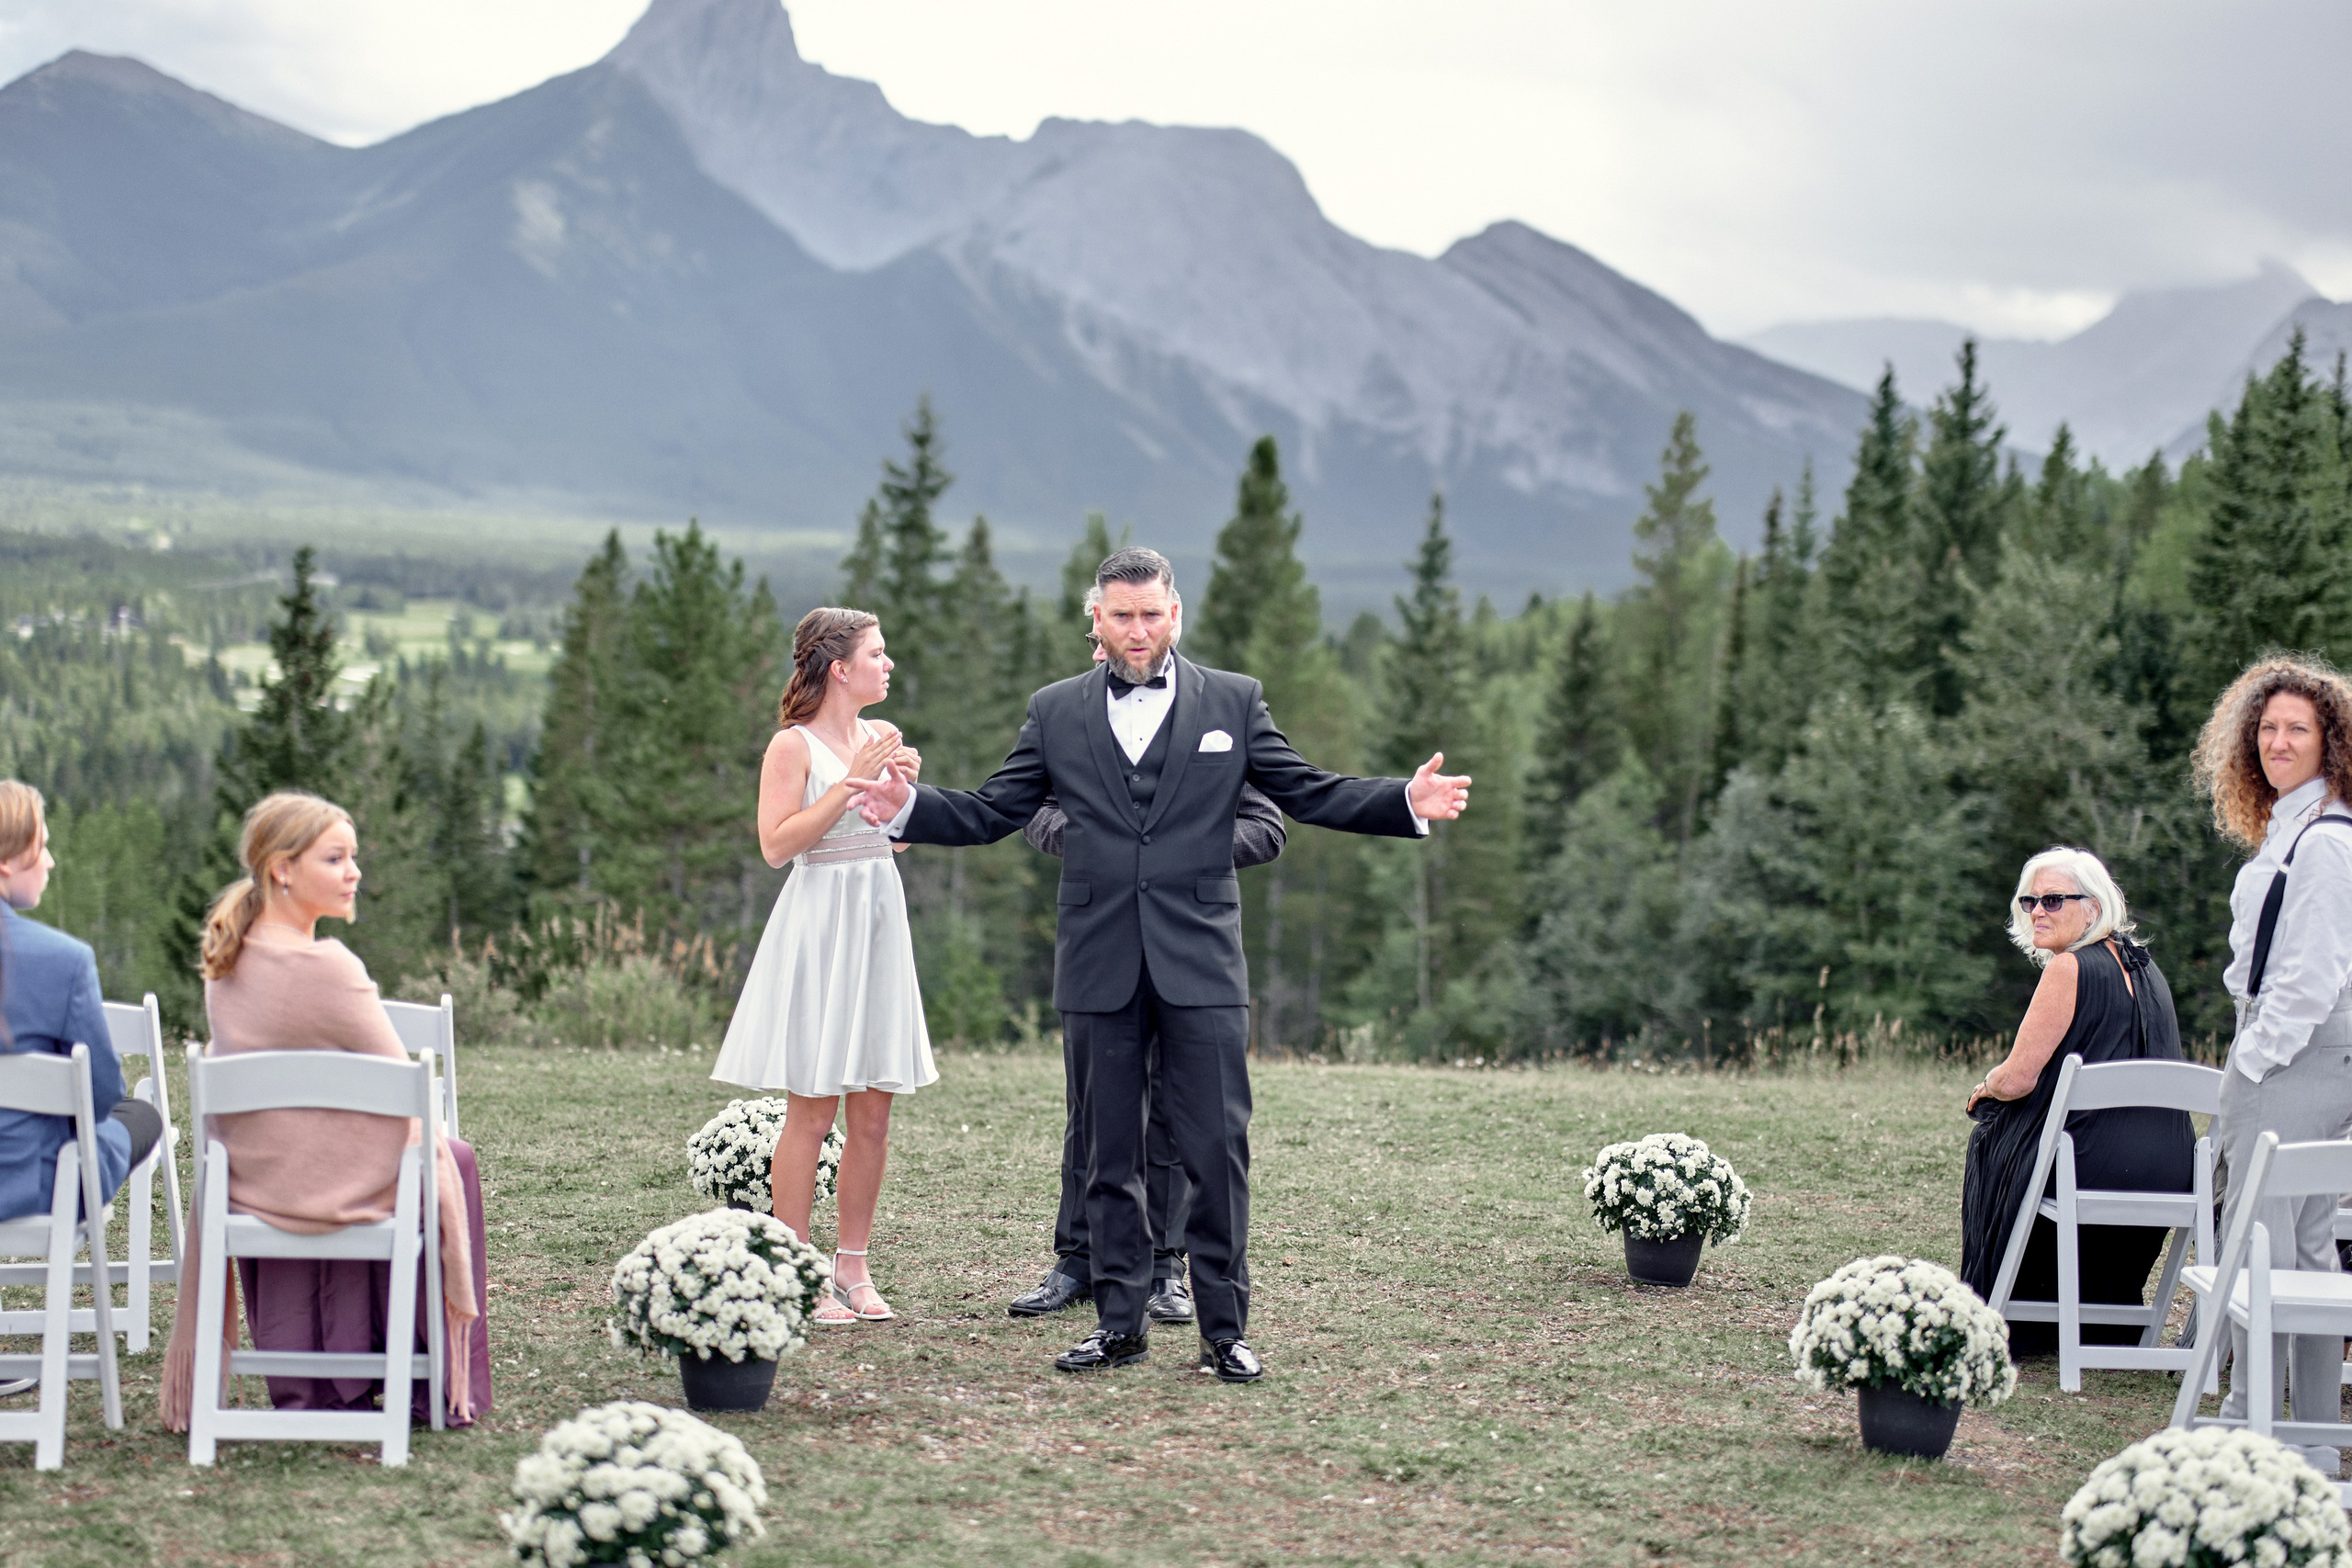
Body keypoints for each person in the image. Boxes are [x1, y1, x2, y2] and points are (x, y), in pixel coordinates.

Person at [848, 546, 1470, 1381]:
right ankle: (1118, 1324)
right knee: (1107, 1152)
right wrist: (910, 808)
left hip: (1202, 961)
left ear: (1175, 613)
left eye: (1151, 614)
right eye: (1121, 615)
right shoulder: (1056, 708)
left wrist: (1403, 800)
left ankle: (1225, 1332)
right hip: (1099, 957)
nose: (1137, 631)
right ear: (1094, 619)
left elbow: (1307, 790)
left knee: (1216, 1147)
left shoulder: (1235, 700)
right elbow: (999, 808)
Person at [160, 792, 489, 1431]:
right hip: (312, 1183)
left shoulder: (228, 956)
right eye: (335, 857)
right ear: (282, 868)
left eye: (353, 857)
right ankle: (435, 1384)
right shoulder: (331, 966)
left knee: (404, 1153)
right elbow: (407, 1087)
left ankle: (329, 1370)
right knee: (454, 1157)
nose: (353, 872)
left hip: (251, 1179)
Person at [711, 607, 933, 1326]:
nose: (889, 662)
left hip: (876, 913)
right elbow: (779, 847)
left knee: (874, 1109)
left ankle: (855, 1266)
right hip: (820, 920)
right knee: (812, 1106)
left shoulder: (882, 738)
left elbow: (893, 845)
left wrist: (902, 797)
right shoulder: (793, 747)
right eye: (877, 652)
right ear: (840, 668)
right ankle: (795, 1268)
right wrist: (849, 784)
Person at [1013, 772, 1286, 1325]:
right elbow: (1034, 812)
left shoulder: (1220, 716)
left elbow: (1266, 829)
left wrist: (1182, 846)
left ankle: (1164, 1265)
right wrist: (1096, 841)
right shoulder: (1077, 716)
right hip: (1100, 936)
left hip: (1189, 944)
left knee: (1171, 1107)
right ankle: (1079, 1260)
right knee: (1089, 1108)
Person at [2191, 656, 2352, 1464]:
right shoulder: (2298, 823)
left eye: (2298, 728)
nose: (2278, 740)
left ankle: (2251, 1418)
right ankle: (2315, 1438)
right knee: (2306, 1242)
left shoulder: (2325, 840)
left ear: (2332, 740)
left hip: (2293, 1052)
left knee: (2264, 1234)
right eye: (2267, 728)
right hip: (2309, 1055)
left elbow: (2314, 972)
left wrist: (2255, 1057)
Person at [1958, 846, 2193, 1353]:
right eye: (2029, 901)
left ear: (2093, 905)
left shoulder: (2068, 968)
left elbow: (2018, 1078)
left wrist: (1986, 1085)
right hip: (2173, 1166)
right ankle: (2103, 1320)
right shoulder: (2146, 966)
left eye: (2053, 899)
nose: (2037, 911)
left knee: (1992, 1136)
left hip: (2091, 1166)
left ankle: (2011, 1317)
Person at [0, 781, 164, 1224]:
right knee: (140, 1114)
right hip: (32, 1184)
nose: (50, 861)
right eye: (42, 846)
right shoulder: (63, 960)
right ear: (5, 863)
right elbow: (101, 1095)